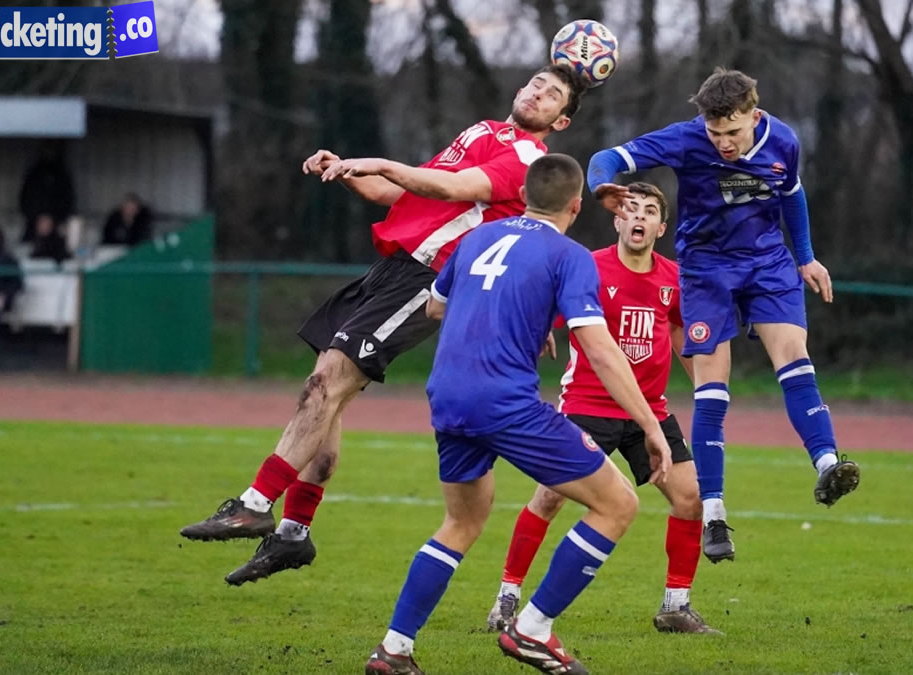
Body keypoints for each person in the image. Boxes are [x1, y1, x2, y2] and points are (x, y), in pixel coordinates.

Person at [178, 64, 589, 586]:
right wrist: (351, 171)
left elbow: (451, 186)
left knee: (327, 383)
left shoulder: (528, 157)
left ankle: (255, 503)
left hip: (426, 280)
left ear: (562, 120)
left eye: (552, 95)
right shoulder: (483, 131)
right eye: (536, 83)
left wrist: (380, 161)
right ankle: (292, 535)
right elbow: (400, 193)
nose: (538, 94)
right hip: (391, 268)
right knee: (328, 395)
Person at [364, 154, 671, 675]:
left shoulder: (477, 237)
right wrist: (649, 424)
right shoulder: (570, 255)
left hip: (448, 395)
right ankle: (532, 631)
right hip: (504, 401)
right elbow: (598, 348)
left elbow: (436, 308)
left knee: (461, 522)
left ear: (525, 193)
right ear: (576, 204)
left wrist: (511, 312)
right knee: (618, 504)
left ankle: (394, 648)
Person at [586, 68, 861, 563]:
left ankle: (826, 463)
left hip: (767, 261)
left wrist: (805, 257)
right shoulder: (687, 139)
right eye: (715, 134)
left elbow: (792, 194)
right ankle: (714, 515)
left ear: (755, 116)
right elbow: (607, 157)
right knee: (712, 385)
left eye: (733, 132)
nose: (724, 143)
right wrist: (604, 184)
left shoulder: (785, 141)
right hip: (706, 268)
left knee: (794, 357)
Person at [484, 182, 720, 637]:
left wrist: (708, 389)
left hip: (649, 412)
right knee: (549, 496)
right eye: (631, 209)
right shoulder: (587, 267)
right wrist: (537, 331)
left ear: (660, 226)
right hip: (587, 405)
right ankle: (507, 597)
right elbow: (545, 309)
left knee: (691, 499)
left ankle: (676, 606)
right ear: (617, 219)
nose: (639, 217)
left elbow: (678, 334)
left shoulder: (673, 277)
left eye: (650, 211)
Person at [19, 141, 75, 243]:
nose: (49, 154)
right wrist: (36, 216)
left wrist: (55, 217)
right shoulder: (34, 174)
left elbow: (67, 199)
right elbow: (26, 198)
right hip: (33, 221)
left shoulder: (61, 175)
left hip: (56, 221)